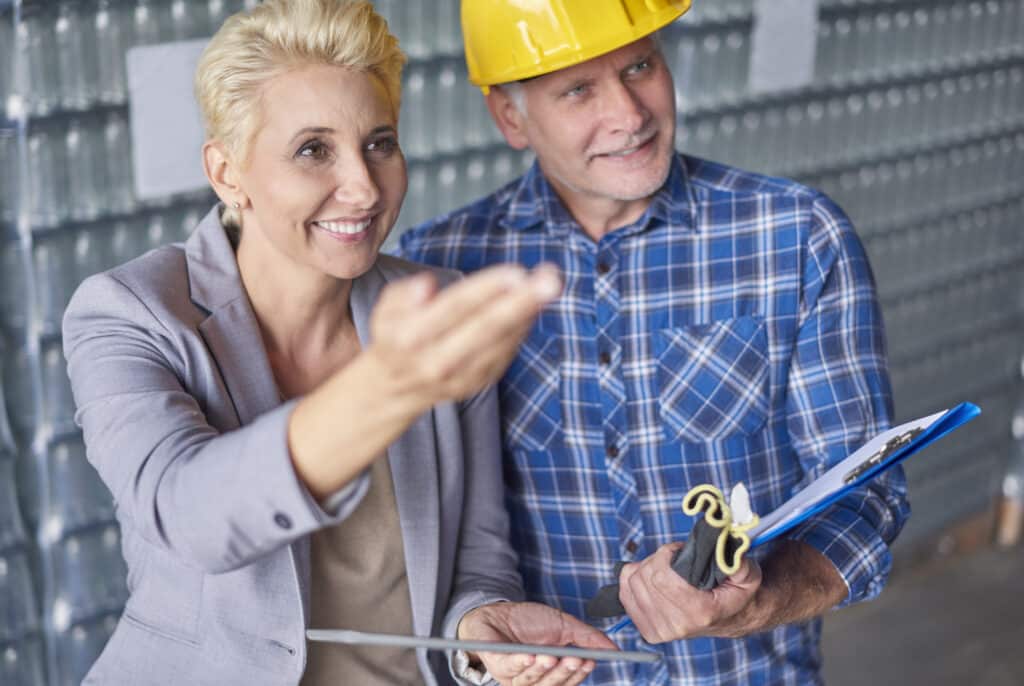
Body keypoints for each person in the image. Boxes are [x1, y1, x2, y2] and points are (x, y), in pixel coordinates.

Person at [62, 1, 617, 684]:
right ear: (227, 171)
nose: (361, 187)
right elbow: (189, 516)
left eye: (379, 143)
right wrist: (388, 387)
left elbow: (476, 559)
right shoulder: (131, 313)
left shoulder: (433, 309)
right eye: (312, 150)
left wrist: (480, 630)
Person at [399, 0, 910, 683]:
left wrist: (749, 603)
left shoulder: (795, 238)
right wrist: (474, 646)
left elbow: (864, 498)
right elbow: (425, 538)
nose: (630, 114)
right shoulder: (440, 270)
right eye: (577, 88)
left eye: (640, 65)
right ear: (510, 117)